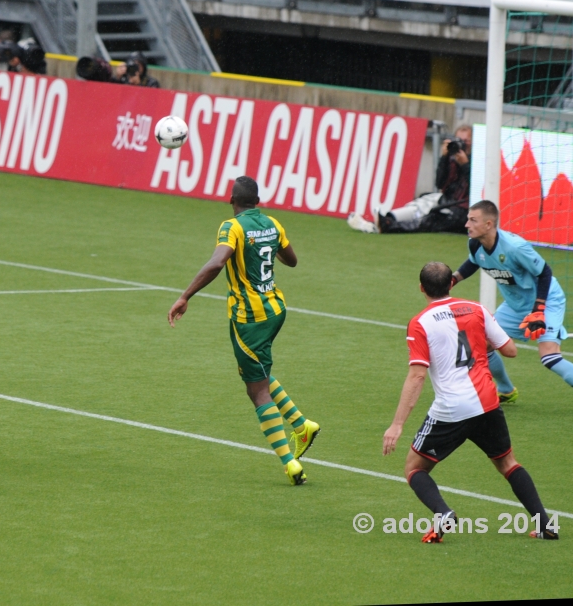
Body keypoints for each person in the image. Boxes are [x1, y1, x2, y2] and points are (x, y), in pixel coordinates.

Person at [383, 262, 558, 542]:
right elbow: (510, 350)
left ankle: (443, 513)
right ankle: (546, 524)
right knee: (507, 463)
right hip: (487, 402)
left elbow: (417, 377)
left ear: (421, 288)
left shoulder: (420, 323)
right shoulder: (476, 308)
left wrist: (397, 425)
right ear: (451, 284)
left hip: (452, 409)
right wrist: (483, 342)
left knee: (414, 468)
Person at [167, 176, 320, 485]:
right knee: (258, 370)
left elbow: (216, 263)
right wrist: (266, 244)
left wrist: (185, 296)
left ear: (231, 201)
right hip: (276, 308)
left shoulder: (232, 227)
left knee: (256, 390)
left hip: (249, 318)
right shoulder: (273, 224)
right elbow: (291, 260)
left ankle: (290, 462)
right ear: (257, 202)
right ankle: (301, 424)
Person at [452, 200, 573, 403]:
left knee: (549, 357)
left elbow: (544, 272)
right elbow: (473, 261)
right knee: (483, 343)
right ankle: (506, 390)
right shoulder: (475, 243)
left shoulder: (515, 247)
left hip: (546, 300)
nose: (467, 225)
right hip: (515, 306)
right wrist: (452, 280)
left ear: (488, 224)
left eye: (472, 220)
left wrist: (539, 309)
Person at [348, 124, 471, 234]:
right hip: (446, 200)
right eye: (458, 140)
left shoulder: (477, 162)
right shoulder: (451, 159)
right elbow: (439, 183)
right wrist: (444, 157)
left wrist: (465, 165)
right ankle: (387, 219)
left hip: (462, 209)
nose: (461, 144)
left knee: (432, 218)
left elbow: (475, 188)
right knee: (419, 203)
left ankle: (389, 225)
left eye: (465, 141)